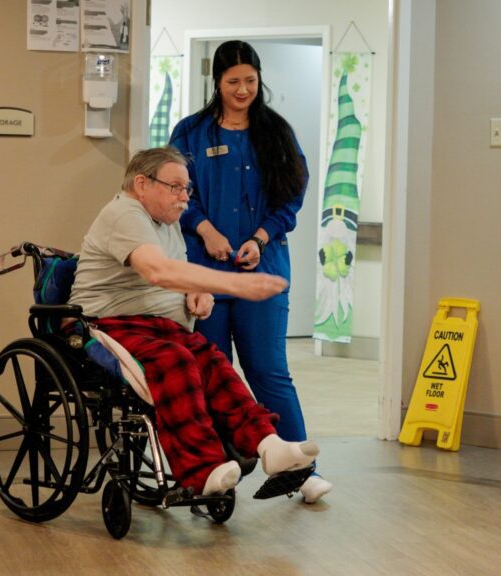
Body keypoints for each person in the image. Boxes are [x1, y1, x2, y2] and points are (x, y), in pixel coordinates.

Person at [68, 147, 319, 497]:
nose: (185, 197)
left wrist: (197, 291)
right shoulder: (124, 213)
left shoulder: (167, 222)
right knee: (176, 362)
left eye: (187, 188)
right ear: (142, 184)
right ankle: (203, 469)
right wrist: (235, 284)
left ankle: (268, 444)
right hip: (109, 324)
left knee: (213, 360)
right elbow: (158, 271)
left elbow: (179, 274)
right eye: (175, 187)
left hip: (160, 326)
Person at [169, 40, 332, 503]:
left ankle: (302, 470)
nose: (242, 90)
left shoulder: (276, 132)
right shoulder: (191, 133)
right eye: (233, 81)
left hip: (262, 270)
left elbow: (292, 195)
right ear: (217, 82)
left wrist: (259, 238)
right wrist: (206, 231)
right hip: (206, 272)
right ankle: (216, 472)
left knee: (269, 370)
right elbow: (176, 193)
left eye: (250, 81)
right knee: (213, 374)